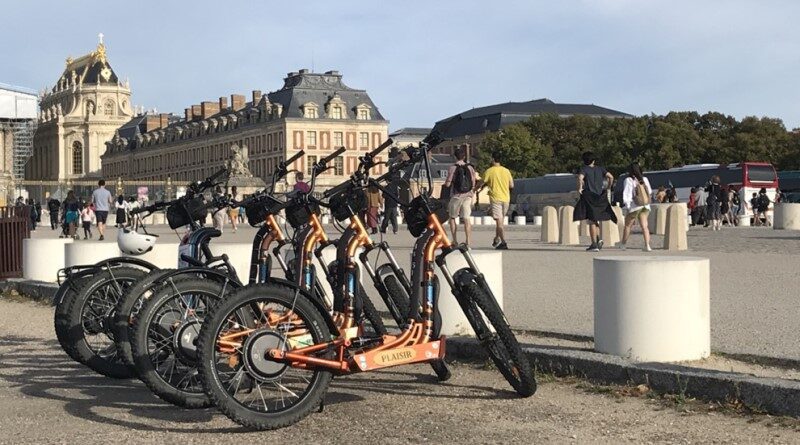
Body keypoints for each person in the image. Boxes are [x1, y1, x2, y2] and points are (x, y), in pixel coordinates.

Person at [574, 151, 616, 252]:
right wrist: (609, 187)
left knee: (591, 220)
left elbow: (580, 178)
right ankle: (598, 239)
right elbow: (611, 177)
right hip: (600, 195)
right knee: (596, 219)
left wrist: (580, 188)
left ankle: (594, 244)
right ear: (593, 160)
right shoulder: (600, 169)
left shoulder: (584, 169)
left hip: (589, 196)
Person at [443, 147, 478, 246]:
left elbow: (448, 184)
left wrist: (446, 183)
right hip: (468, 196)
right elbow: (473, 181)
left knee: (452, 218)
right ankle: (468, 241)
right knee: (467, 218)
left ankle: (454, 240)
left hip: (456, 196)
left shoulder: (452, 168)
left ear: (455, 157)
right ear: (464, 157)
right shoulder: (470, 168)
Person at [481, 151, 513, 250]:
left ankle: (504, 243)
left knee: (499, 223)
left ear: (492, 159)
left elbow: (482, 182)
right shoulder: (506, 171)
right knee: (500, 222)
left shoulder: (489, 171)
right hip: (506, 199)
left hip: (496, 199)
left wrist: (475, 189)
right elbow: (511, 185)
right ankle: (497, 238)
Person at [619, 162, 653, 251]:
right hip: (645, 205)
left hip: (634, 206)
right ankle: (647, 245)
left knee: (628, 225)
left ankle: (623, 244)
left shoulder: (629, 180)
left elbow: (627, 194)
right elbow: (649, 191)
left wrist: (627, 206)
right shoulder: (645, 179)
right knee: (644, 226)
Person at [380, 170, 401, 234]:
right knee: (394, 218)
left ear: (387, 181)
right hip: (394, 204)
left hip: (388, 204)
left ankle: (383, 229)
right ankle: (395, 230)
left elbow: (383, 196)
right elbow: (397, 195)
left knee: (386, 217)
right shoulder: (395, 187)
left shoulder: (386, 187)